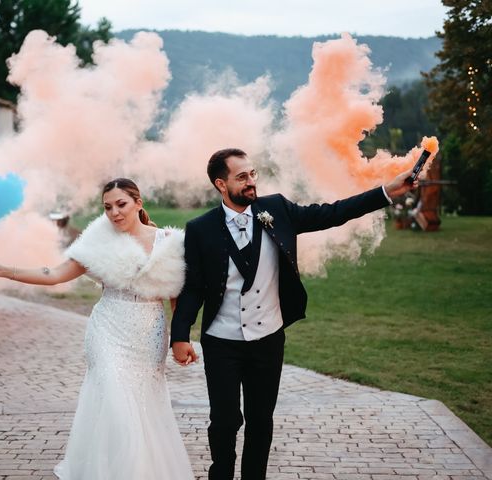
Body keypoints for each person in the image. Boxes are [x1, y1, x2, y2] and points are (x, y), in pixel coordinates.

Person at [170, 148, 418, 480]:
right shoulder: (200, 229)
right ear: (220, 184)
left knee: (260, 419)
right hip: (222, 340)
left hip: (268, 338)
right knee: (226, 420)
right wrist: (180, 335)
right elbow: (194, 287)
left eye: (252, 174)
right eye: (241, 177)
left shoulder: (277, 209)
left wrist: (386, 192)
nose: (251, 182)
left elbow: (333, 213)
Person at [0, 178, 194, 480]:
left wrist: (181, 340)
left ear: (138, 203)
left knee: (142, 402)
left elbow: (177, 298)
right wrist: (3, 270)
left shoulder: (170, 242)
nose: (114, 212)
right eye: (107, 207)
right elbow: (54, 274)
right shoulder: (97, 241)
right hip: (108, 329)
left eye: (121, 204)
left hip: (148, 333)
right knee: (116, 400)